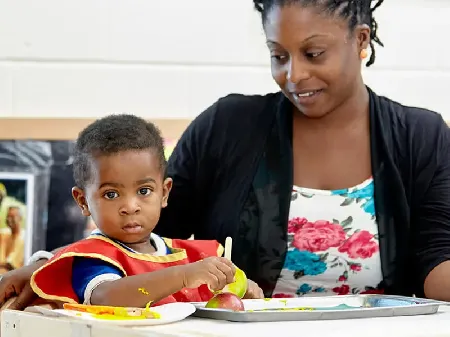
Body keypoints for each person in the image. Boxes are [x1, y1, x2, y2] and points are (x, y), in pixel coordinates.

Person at [2, 0, 450, 309]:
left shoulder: (421, 135)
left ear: (360, 39)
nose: (293, 75)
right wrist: (51, 264)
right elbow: (144, 232)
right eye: (278, 55)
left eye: (314, 53)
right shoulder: (228, 126)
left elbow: (436, 258)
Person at [19, 115, 264, 309]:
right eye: (111, 194)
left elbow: (215, 303)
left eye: (144, 191)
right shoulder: (94, 256)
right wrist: (183, 276)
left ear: (165, 193)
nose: (130, 206)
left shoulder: (190, 255)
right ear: (82, 201)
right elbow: (106, 298)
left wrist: (243, 290)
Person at [0, 207, 25, 273]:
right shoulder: (4, 234)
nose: (9, 219)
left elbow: (10, 265)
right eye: (8, 216)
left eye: (12, 217)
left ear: (20, 218)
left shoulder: (22, 239)